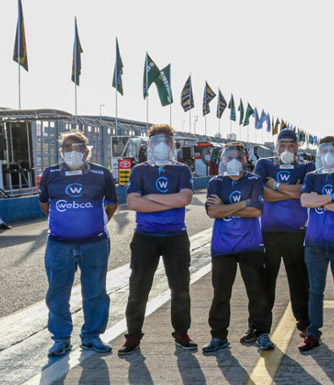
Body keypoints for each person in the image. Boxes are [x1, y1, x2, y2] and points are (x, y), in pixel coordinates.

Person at [119, 125, 197, 356]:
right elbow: (133, 203)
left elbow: (185, 199)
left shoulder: (181, 169)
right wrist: (170, 201)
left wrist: (150, 197)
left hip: (176, 236)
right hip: (145, 236)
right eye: (155, 140)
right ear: (149, 144)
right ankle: (133, 335)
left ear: (173, 144)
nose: (161, 144)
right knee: (138, 288)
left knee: (180, 288)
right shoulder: (140, 170)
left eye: (166, 140)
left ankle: (181, 333)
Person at [38, 131, 118, 356]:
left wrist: (94, 224)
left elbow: (112, 204)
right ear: (61, 151)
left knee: (95, 292)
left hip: (95, 243)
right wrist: (64, 224)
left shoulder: (101, 174)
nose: (72, 151)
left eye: (78, 147)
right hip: (59, 244)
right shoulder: (51, 173)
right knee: (57, 294)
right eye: (67, 147)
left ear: (86, 150)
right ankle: (61, 338)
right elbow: (45, 204)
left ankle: (92, 336)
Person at [203, 143, 271, 353]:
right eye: (229, 157)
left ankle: (260, 333)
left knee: (257, 292)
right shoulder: (216, 182)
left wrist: (224, 207)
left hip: (250, 244)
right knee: (221, 294)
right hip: (222, 247)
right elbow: (212, 212)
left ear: (245, 160)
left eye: (238, 157)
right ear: (223, 160)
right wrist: (244, 203)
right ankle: (218, 336)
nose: (234, 160)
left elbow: (256, 211)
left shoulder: (254, 180)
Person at [253, 129, 315, 345]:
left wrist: (275, 185)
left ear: (297, 147)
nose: (286, 149)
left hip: (297, 233)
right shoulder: (264, 164)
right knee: (265, 284)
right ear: (276, 146)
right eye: (282, 145)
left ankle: (304, 324)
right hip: (268, 233)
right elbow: (260, 193)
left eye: (290, 145)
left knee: (299, 283)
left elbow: (304, 194)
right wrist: (292, 191)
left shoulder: (307, 167)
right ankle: (260, 329)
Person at [298, 136, 334, 351]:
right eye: (324, 151)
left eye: (332, 150)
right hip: (314, 243)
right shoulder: (312, 177)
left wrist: (319, 201)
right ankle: (313, 334)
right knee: (315, 291)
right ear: (319, 153)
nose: (328, 154)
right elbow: (305, 201)